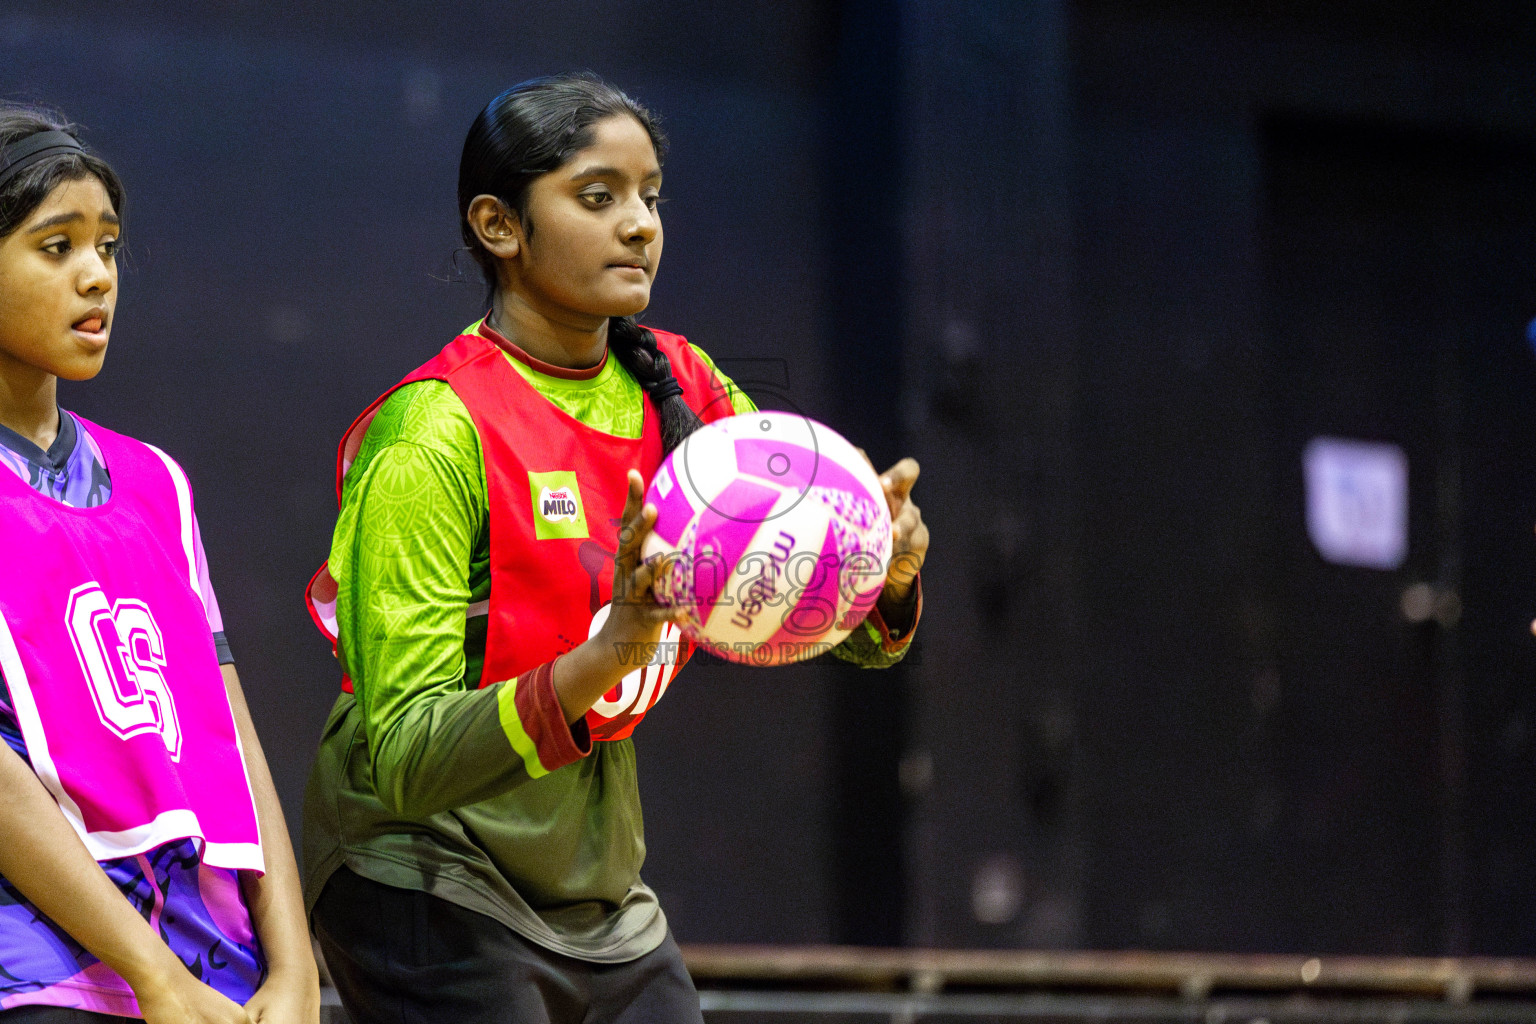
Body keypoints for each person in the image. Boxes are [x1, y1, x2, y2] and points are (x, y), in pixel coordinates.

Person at [302, 73, 929, 1024]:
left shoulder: (685, 385)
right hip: (423, 867)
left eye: (649, 196)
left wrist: (874, 578)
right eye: (599, 197)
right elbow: (403, 760)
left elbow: (830, 633)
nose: (640, 225)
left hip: (591, 880)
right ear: (499, 225)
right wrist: (608, 656)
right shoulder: (433, 433)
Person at [0, 106, 319, 1024]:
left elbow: (230, 737)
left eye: (106, 245)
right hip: (41, 959)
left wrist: (294, 965)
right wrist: (151, 975)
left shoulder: (154, 482)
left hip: (211, 952)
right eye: (55, 246)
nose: (97, 275)